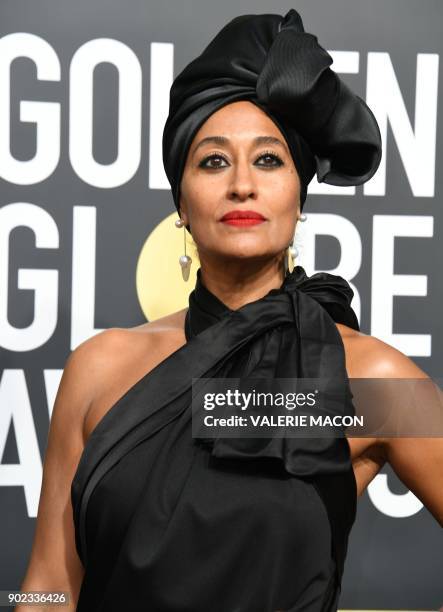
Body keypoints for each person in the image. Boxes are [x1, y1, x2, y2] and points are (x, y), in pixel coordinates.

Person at [17, 8, 442, 612]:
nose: (242, 183)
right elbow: (45, 587)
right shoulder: (97, 369)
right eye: (213, 161)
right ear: (182, 204)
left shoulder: (368, 381)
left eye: (269, 160)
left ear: (300, 198)